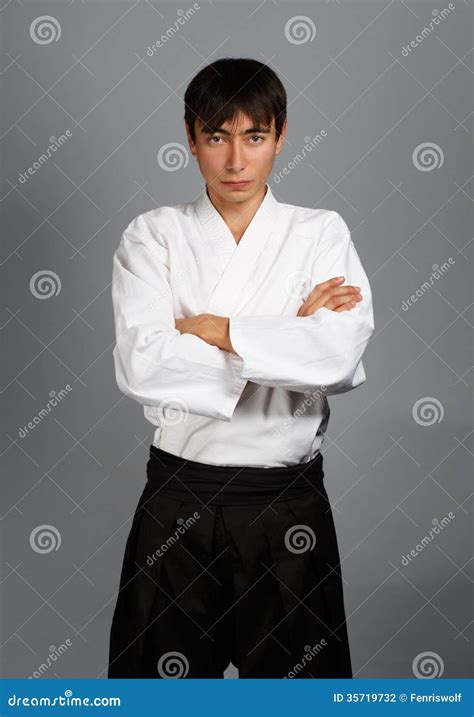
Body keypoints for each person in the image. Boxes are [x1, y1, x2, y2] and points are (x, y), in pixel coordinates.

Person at [107, 57, 374, 679]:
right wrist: (290, 336)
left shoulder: (320, 233)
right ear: (190, 137)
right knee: (156, 694)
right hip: (180, 501)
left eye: (254, 137)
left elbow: (337, 356)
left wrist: (218, 330)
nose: (235, 161)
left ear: (280, 137)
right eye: (216, 137)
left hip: (287, 507)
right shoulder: (153, 236)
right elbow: (144, 366)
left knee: (301, 693)